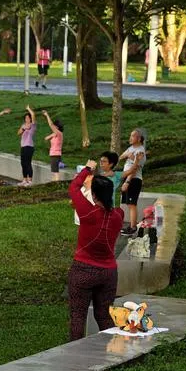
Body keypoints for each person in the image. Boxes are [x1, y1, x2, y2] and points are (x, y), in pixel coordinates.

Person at [67, 154, 125, 340]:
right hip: (109, 273)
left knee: (78, 317)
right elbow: (113, 209)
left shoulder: (87, 213)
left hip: (83, 270)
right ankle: (111, 350)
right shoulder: (119, 215)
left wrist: (87, 169)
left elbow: (73, 187)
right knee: (104, 316)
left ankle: (75, 354)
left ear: (93, 195)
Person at [118, 128, 147, 235]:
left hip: (133, 179)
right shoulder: (131, 148)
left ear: (139, 139)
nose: (130, 138)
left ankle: (133, 227)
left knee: (131, 204)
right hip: (128, 178)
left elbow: (134, 168)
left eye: (133, 136)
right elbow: (120, 157)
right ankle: (131, 226)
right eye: (130, 135)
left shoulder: (140, 151)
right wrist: (127, 155)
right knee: (129, 204)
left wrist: (127, 182)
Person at [42, 109, 64, 180]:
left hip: (55, 155)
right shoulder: (55, 134)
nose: (53, 127)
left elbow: (50, 124)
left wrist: (47, 115)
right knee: (54, 171)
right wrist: (50, 136)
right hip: (54, 154)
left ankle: (57, 183)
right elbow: (46, 138)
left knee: (55, 172)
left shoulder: (59, 133)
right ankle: (54, 182)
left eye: (54, 126)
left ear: (57, 127)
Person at [18, 105, 37, 186]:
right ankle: (24, 179)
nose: (27, 119)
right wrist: (23, 129)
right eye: (26, 118)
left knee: (28, 162)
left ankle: (30, 180)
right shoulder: (23, 125)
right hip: (23, 146)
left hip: (29, 146)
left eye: (28, 118)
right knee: (23, 163)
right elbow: (18, 133)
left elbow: (33, 115)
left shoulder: (33, 125)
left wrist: (28, 109)